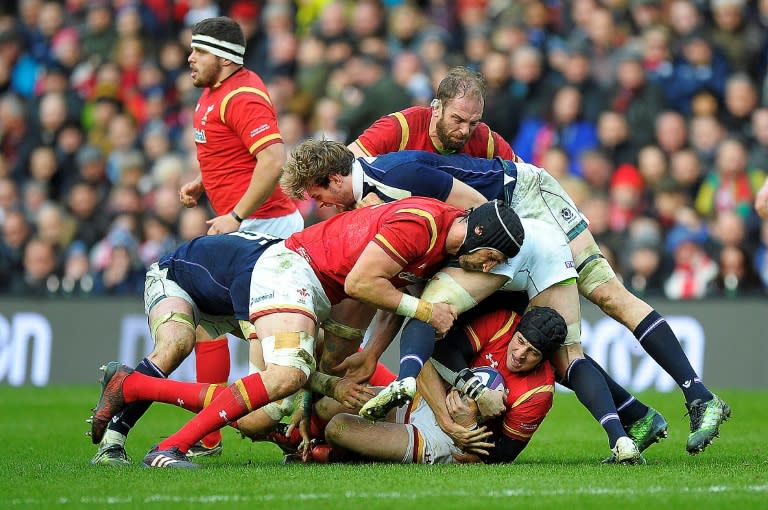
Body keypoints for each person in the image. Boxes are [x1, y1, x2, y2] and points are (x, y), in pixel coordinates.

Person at [326, 66, 732, 455]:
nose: (465, 131)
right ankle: (635, 415)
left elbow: (519, 186)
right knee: (539, 335)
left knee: (606, 295)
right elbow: (343, 172)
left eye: (473, 122)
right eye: (457, 120)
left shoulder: (483, 141)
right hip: (470, 242)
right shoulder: (399, 128)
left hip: (513, 221)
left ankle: (698, 394)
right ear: (435, 108)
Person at [87, 196, 526, 468]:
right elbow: (360, 285)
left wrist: (372, 353)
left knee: (281, 395)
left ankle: (135, 385)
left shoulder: (438, 234)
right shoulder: (422, 224)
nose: (487, 269)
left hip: (310, 286)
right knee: (283, 382)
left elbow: (391, 291)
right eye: (490, 260)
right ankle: (169, 446)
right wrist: (427, 309)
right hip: (293, 272)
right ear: (483, 243)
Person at [91, 16, 305, 465]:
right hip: (240, 230)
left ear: (224, 58)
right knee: (209, 331)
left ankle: (289, 429)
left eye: (199, 51)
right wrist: (201, 183)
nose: (189, 58)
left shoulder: (244, 94)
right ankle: (213, 438)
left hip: (266, 232)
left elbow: (272, 159)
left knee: (271, 364)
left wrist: (236, 214)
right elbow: (232, 155)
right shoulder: (212, 95)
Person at [319, 306, 567, 464]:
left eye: (532, 353)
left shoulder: (538, 392)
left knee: (338, 428)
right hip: (430, 399)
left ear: (544, 358)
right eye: (520, 341)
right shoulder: (504, 323)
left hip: (449, 439)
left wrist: (467, 424)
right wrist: (477, 391)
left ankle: (334, 455)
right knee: (326, 407)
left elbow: (504, 455)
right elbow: (442, 351)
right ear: (517, 330)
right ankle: (311, 444)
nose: (520, 354)